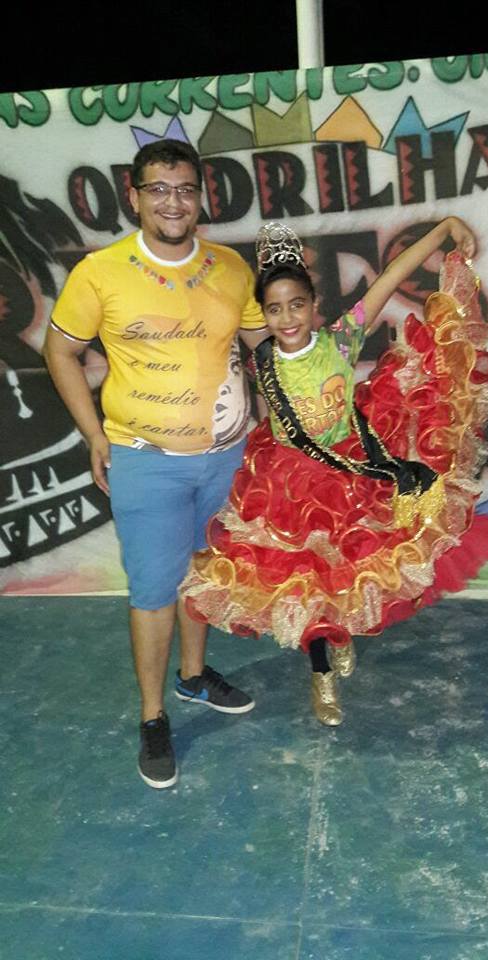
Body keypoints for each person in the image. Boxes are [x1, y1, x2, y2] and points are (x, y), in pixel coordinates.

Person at [181, 219, 488, 726]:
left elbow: (391, 275)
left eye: (296, 305)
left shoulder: (341, 338)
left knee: (348, 572)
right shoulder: (260, 355)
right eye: (274, 309)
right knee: (304, 584)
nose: (287, 317)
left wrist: (444, 229)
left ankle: (340, 633)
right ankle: (321, 674)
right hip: (284, 487)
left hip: (348, 476)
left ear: (313, 305)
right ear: (262, 314)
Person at [43, 139, 268, 789]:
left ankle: (193, 677)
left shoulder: (231, 268)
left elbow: (265, 347)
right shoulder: (101, 272)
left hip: (226, 458)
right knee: (152, 592)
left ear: (201, 197)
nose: (174, 202)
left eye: (186, 189)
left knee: (204, 573)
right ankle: (152, 716)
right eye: (160, 189)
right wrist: (93, 434)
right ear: (134, 196)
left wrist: (304, 392)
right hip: (146, 461)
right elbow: (59, 351)